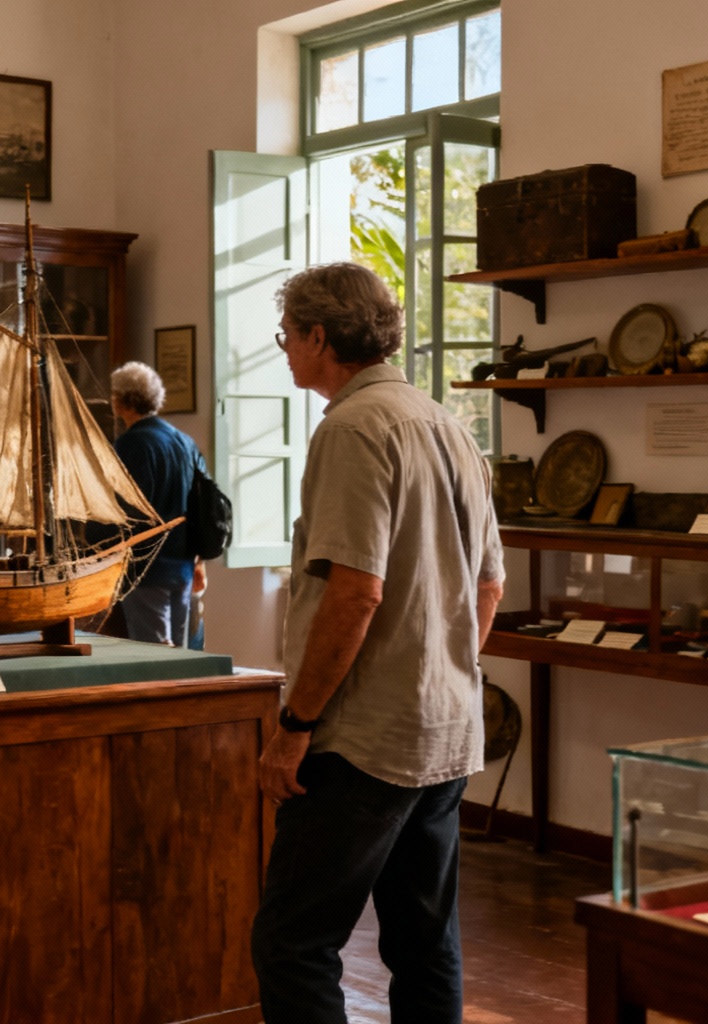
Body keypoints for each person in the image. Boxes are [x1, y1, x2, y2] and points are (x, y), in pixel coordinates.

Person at [249, 263, 505, 1022]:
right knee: (425, 945)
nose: (286, 350)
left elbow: (355, 593)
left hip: (363, 743)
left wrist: (295, 727)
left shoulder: (353, 429)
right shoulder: (450, 425)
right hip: (447, 733)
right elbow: (488, 587)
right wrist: (445, 677)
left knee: (293, 944)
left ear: (321, 337)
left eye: (288, 336)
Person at [109, 361, 203, 646]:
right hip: (184, 567)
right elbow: (202, 505)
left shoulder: (131, 444)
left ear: (122, 400)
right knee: (181, 659)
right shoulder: (184, 442)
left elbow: (126, 512)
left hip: (147, 571)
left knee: (154, 660)